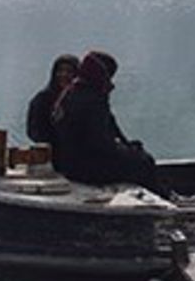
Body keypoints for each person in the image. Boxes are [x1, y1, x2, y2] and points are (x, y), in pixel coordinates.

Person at [52, 51, 161, 193]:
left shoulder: (72, 92)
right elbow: (101, 144)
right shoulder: (92, 100)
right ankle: (163, 198)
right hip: (85, 169)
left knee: (136, 157)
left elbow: (110, 128)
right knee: (145, 162)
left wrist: (127, 146)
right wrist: (130, 152)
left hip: (70, 164)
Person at [26, 54, 80, 144]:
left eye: (69, 71)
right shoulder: (42, 99)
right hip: (49, 151)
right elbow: (34, 132)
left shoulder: (82, 101)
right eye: (60, 70)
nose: (64, 74)